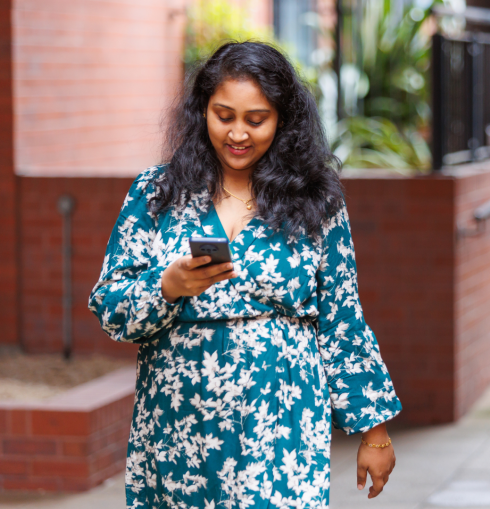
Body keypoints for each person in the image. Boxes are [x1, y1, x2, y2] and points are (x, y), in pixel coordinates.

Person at [88, 41, 402, 509]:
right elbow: (109, 305)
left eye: (256, 120)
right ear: (202, 113)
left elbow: (343, 319)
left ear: (283, 120)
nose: (238, 133)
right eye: (223, 115)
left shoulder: (316, 201)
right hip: (179, 428)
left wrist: (374, 432)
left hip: (280, 425)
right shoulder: (158, 192)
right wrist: (167, 288)